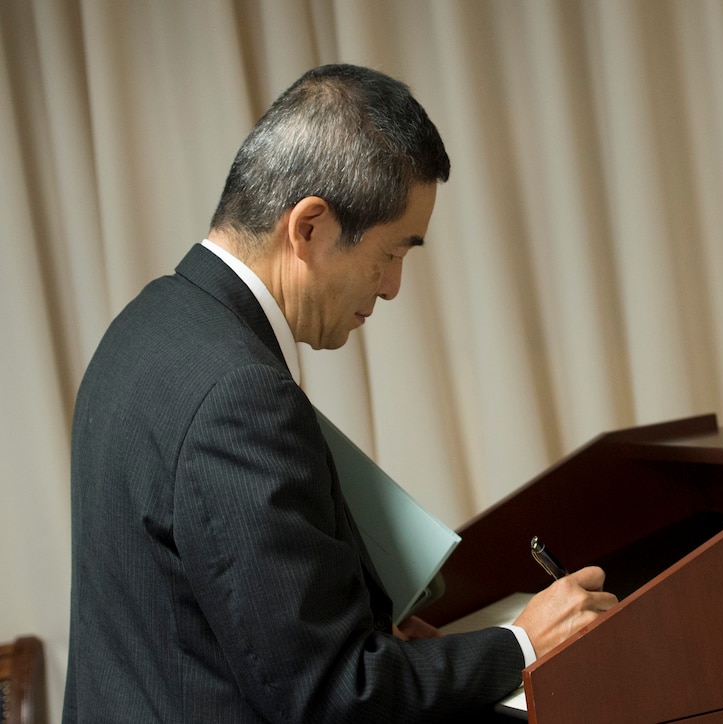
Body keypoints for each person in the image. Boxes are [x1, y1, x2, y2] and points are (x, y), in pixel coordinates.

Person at [63, 64, 617, 723]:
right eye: (392, 252)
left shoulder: (148, 324)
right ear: (311, 227)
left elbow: (209, 617)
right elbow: (327, 694)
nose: (391, 288)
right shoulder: (238, 396)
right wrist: (522, 643)